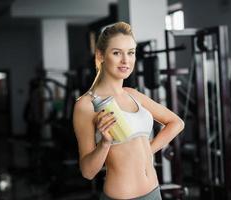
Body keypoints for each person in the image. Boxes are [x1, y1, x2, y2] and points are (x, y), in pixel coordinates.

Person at [73, 21, 185, 200]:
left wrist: (147, 151)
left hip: (154, 192)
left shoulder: (133, 95)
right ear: (101, 55)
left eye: (130, 53)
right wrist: (105, 144)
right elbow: (87, 172)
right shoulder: (86, 105)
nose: (126, 60)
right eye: (117, 53)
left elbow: (176, 123)